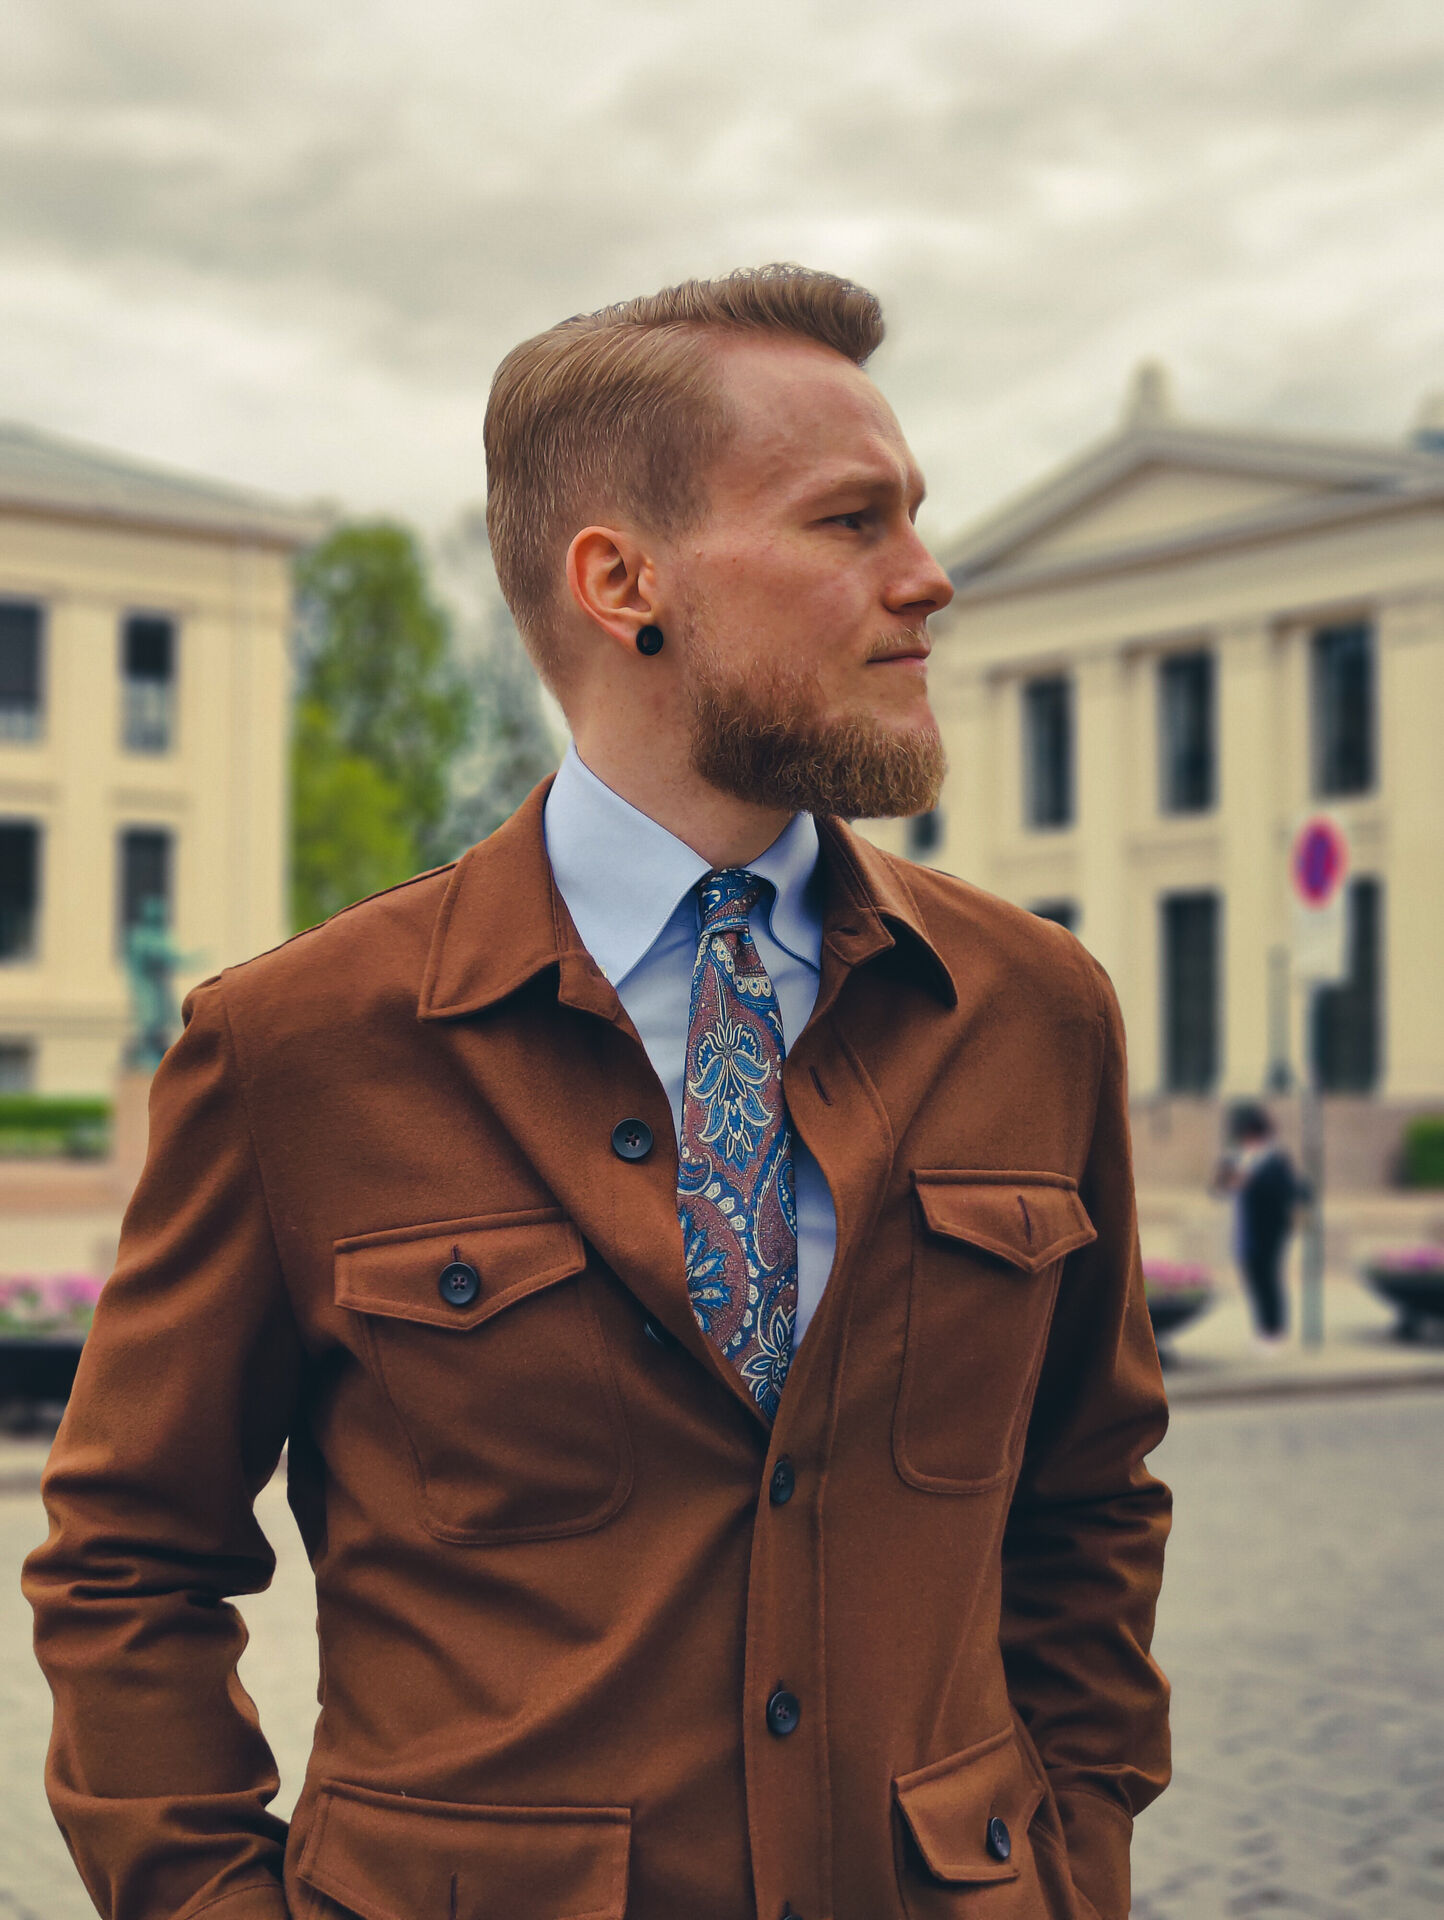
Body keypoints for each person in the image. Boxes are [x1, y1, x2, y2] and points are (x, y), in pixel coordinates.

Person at [25, 266, 1170, 1920]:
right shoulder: (295, 1049)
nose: (927, 580)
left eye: (913, 517)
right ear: (622, 581)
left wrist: (1070, 1859)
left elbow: (1089, 1501)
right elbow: (127, 1563)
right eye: (850, 523)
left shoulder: (1032, 1012)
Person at [1215, 1101, 1304, 1344]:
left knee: (1269, 1277)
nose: (1247, 1139)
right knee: (1253, 1278)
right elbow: (1218, 1188)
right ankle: (1263, 1328)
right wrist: (1229, 1181)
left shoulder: (1275, 1159)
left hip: (1270, 1230)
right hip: (1244, 1229)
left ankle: (1274, 1330)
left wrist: (1250, 1182)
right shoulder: (1235, 1157)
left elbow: (1287, 1191)